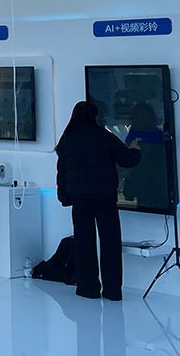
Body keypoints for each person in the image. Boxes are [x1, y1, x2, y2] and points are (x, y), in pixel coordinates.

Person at [56, 101, 141, 300]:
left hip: (80, 201)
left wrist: (64, 197)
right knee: (110, 244)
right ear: (95, 116)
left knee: (84, 244)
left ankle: (87, 288)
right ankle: (112, 291)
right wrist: (135, 149)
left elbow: (62, 173)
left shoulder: (67, 139)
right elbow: (127, 160)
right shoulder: (104, 136)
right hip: (105, 199)